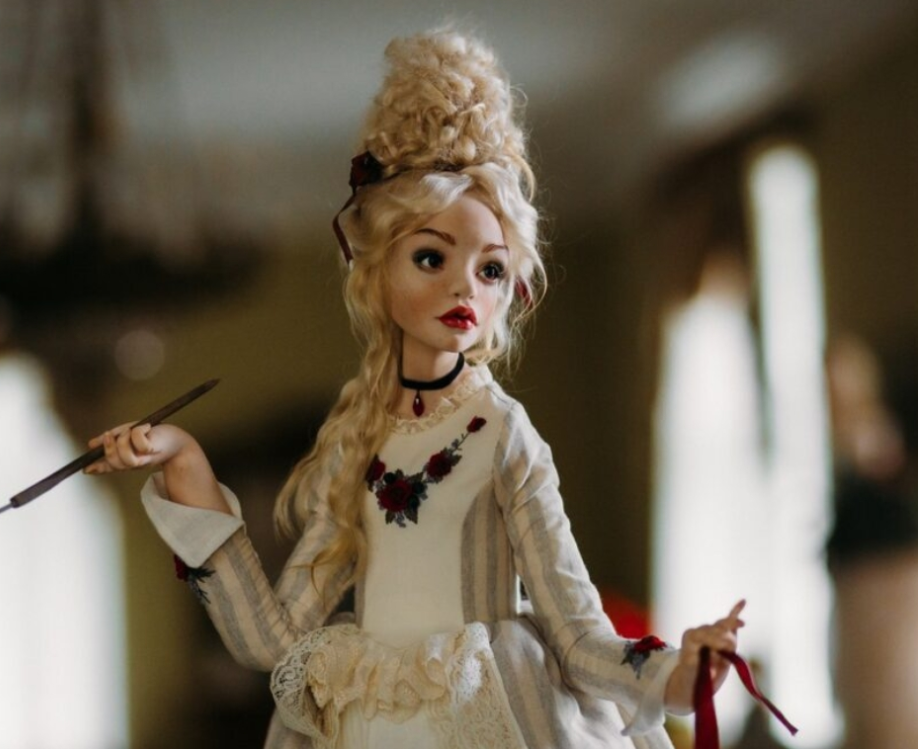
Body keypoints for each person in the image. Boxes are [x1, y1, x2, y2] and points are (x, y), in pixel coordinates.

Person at [86, 27, 744, 749]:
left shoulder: (504, 435)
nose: (465, 287)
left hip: (491, 715)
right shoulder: (356, 437)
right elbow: (272, 639)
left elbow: (579, 637)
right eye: (432, 257)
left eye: (490, 269)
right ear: (376, 270)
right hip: (369, 723)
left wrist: (679, 673)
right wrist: (185, 464)